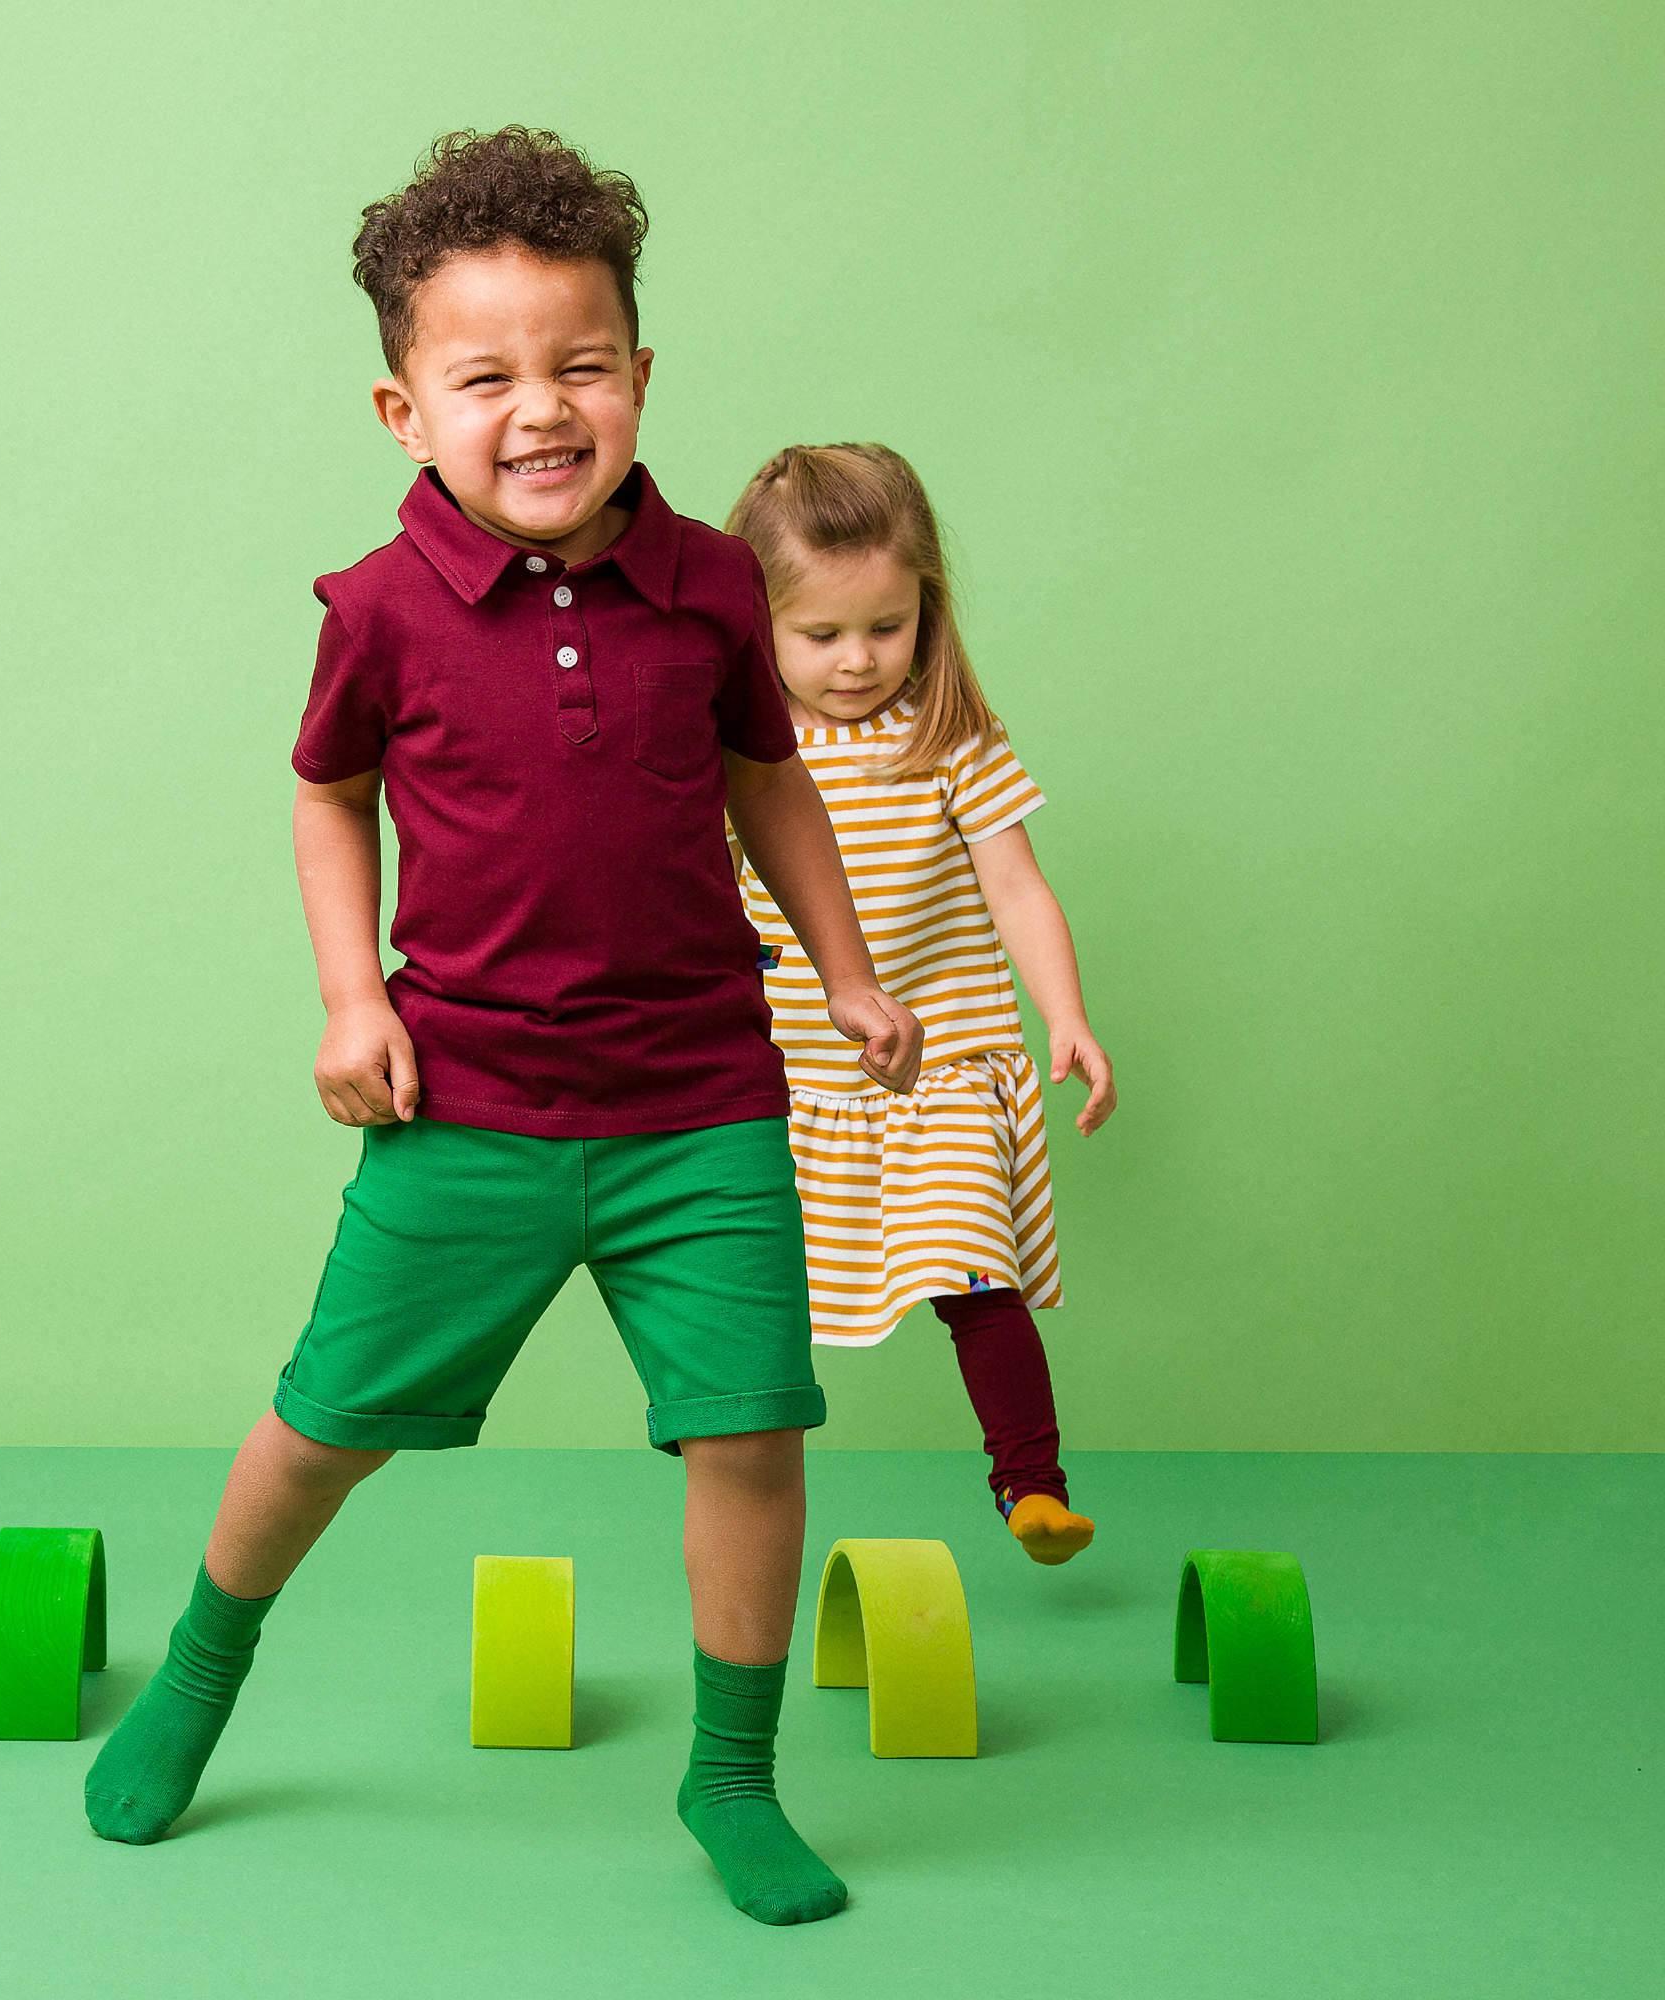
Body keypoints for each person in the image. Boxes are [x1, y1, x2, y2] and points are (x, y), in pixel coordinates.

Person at [82, 130, 923, 1929]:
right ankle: (203, 1670)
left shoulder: (709, 583)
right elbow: (329, 800)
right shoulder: (378, 612)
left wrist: (845, 972)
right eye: (488, 378)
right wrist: (349, 996)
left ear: (639, 376)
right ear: (404, 410)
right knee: (325, 1421)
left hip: (701, 1103)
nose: (541, 410)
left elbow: (772, 784)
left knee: (754, 1434)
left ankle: (733, 1778)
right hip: (465, 1106)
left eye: (582, 365)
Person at [724, 443, 1116, 1564]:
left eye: (885, 629)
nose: (857, 661)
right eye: (822, 634)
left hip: (938, 1069)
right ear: (757, 624)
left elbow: (1015, 885)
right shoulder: (738, 756)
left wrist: (1065, 1013)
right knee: (751, 1309)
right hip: (785, 1082)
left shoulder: (948, 742)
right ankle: (748, 1511)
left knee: (968, 1263)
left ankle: (1029, 1484)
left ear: (925, 613)